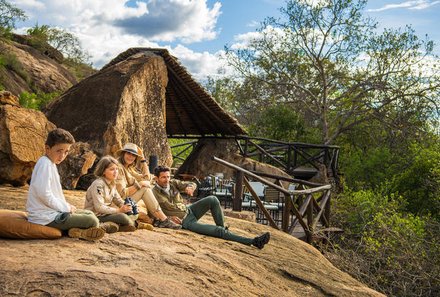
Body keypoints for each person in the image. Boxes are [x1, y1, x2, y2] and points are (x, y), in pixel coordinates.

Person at [152, 166, 271, 249]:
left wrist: (190, 187)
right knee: (218, 231)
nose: (167, 180)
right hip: (185, 221)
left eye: (168, 176)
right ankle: (254, 242)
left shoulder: (172, 183)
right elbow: (152, 211)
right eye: (163, 177)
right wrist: (168, 218)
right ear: (156, 178)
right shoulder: (153, 193)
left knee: (213, 199)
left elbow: (192, 183)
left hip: (190, 210)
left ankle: (223, 230)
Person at [26, 128, 105, 241]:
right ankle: (80, 231)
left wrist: (66, 205)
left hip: (52, 212)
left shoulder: (50, 163)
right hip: (44, 218)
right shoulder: (45, 165)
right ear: (47, 148)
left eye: (66, 152)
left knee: (89, 213)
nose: (62, 155)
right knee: (92, 221)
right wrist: (65, 208)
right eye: (59, 151)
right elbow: (44, 194)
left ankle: (76, 231)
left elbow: (54, 194)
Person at [115, 143, 181, 229]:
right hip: (117, 202)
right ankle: (163, 220)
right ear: (123, 154)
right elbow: (121, 193)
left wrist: (142, 159)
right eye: (128, 153)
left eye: (134, 155)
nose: (131, 157)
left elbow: (147, 178)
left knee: (146, 189)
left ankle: (160, 219)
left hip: (126, 200)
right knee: (145, 189)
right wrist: (140, 185)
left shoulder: (128, 168)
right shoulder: (118, 168)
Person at [84, 155, 153, 232]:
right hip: (96, 215)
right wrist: (118, 210)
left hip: (107, 214)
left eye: (117, 169)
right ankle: (136, 224)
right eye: (112, 169)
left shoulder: (112, 184)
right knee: (122, 217)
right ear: (103, 171)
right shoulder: (98, 184)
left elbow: (119, 200)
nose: (116, 172)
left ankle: (118, 226)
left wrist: (128, 207)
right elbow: (99, 207)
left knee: (134, 214)